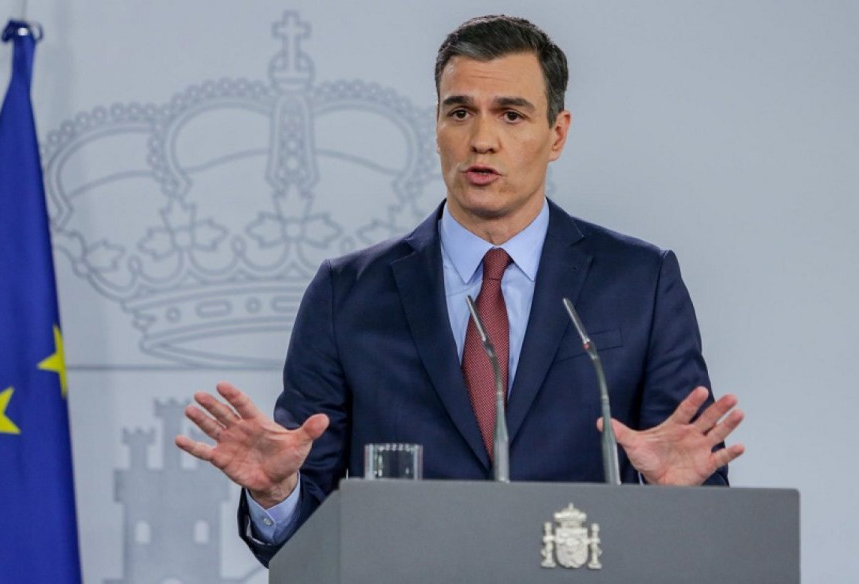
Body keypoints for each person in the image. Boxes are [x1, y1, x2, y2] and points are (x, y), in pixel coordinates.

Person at [176, 14, 745, 567]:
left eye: (511, 115)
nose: (481, 140)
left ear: (557, 134)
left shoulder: (640, 283)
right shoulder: (346, 295)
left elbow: (697, 502)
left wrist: (675, 497)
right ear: (436, 126)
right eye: (460, 112)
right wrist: (277, 495)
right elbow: (304, 546)